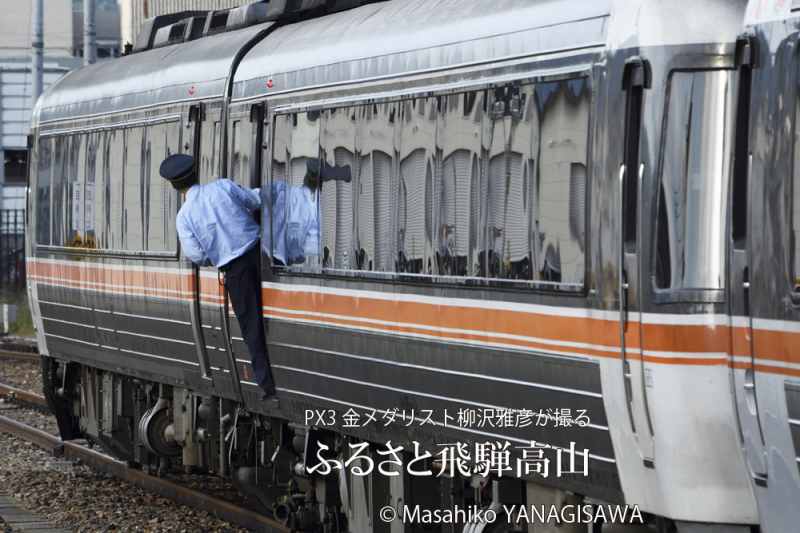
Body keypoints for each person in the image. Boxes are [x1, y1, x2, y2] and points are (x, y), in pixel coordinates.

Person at [159, 154, 276, 399]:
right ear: (196, 173)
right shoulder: (222, 186)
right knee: (278, 314)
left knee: (251, 326)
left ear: (175, 186)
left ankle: (267, 386)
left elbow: (197, 256)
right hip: (262, 255)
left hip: (235, 271)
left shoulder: (185, 216)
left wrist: (217, 255)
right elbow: (255, 200)